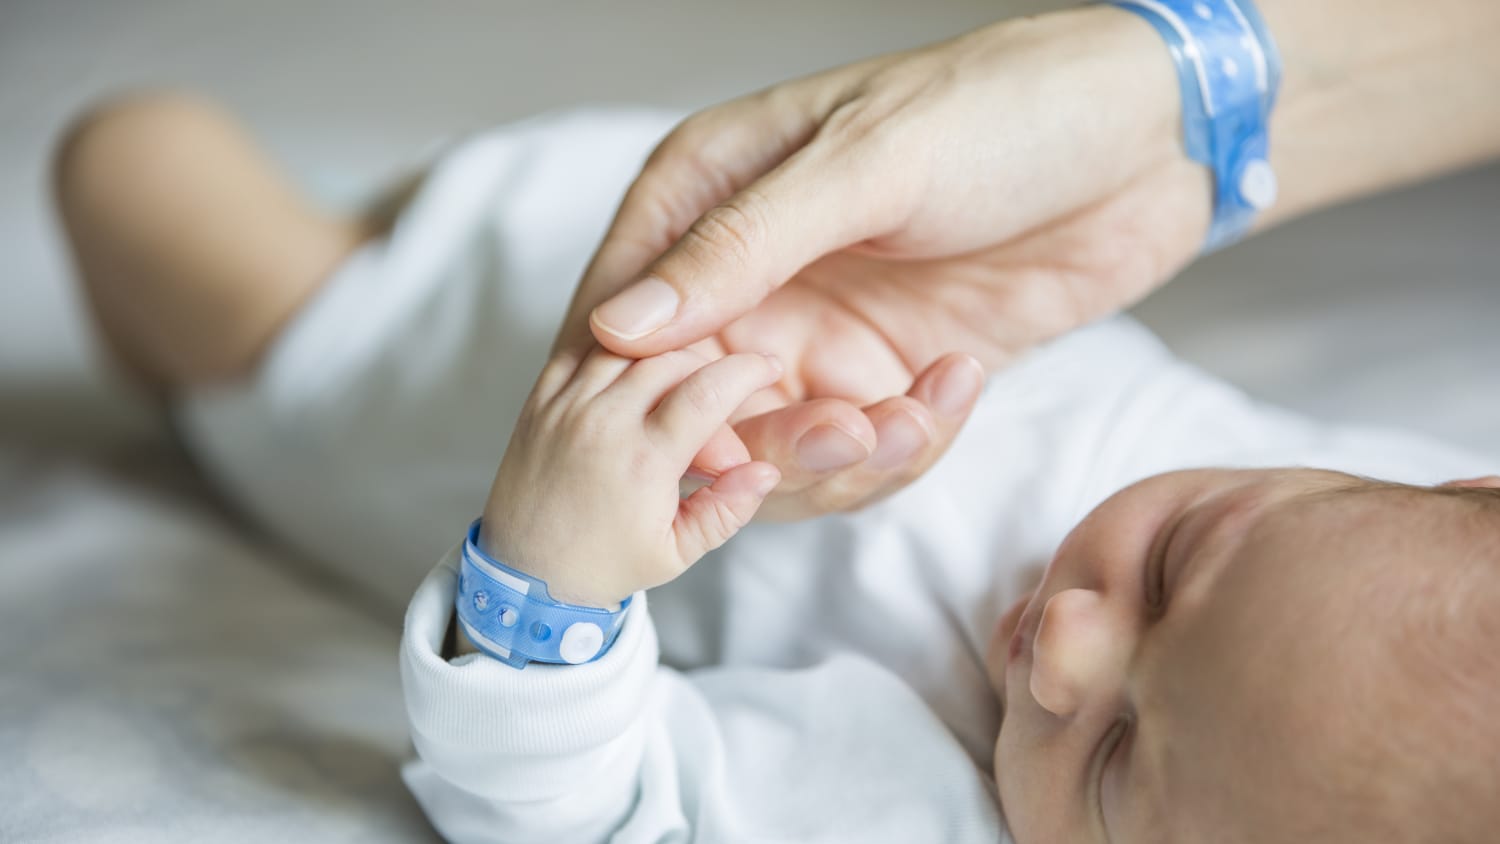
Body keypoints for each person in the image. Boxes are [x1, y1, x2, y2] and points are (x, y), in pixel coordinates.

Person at [52, 94, 1500, 841]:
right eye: (1180, 566)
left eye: (1116, 767)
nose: (1061, 647)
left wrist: (548, 581)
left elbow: (594, 813)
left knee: (127, 157)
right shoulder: (1414, 566)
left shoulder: (921, 807)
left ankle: (183, 341)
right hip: (734, 235)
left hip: (435, 383)